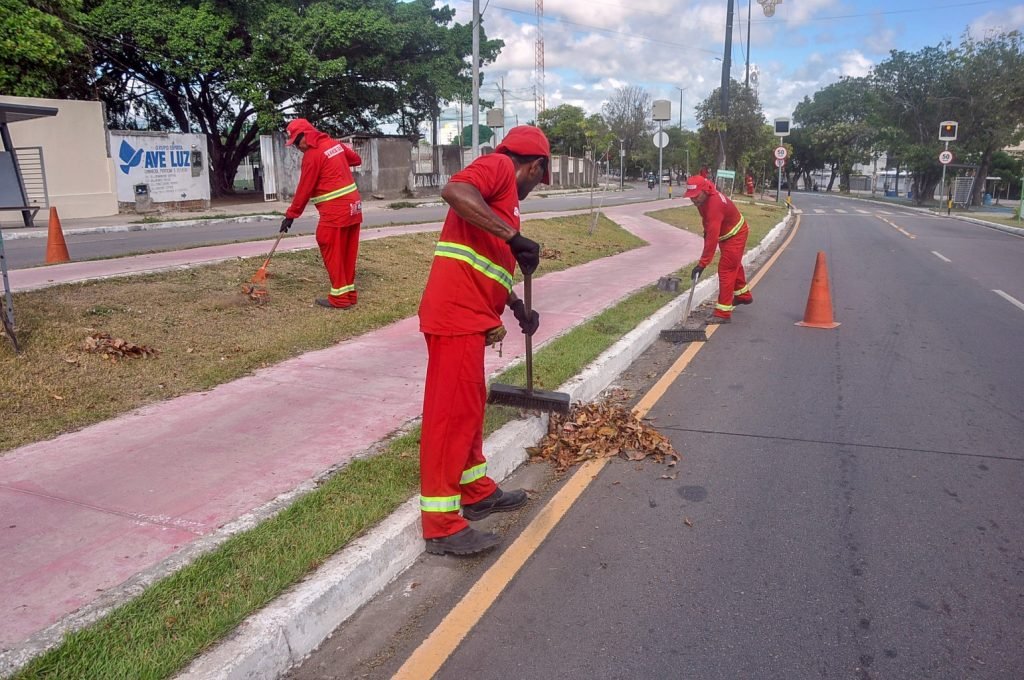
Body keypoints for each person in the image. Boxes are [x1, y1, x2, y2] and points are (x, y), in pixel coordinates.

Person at [416, 126, 551, 555]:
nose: (533, 188)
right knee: (450, 416)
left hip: (472, 315)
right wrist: (514, 237)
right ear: (534, 166)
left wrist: (515, 304)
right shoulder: (499, 167)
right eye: (539, 180)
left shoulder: (502, 200)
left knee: (469, 408)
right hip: (455, 313)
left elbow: (485, 259)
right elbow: (454, 190)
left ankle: (475, 491)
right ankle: (440, 525)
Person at [280, 119, 363, 309]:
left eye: (297, 141)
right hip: (354, 207)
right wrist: (334, 161)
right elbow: (356, 160)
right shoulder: (334, 144)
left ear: (307, 135)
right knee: (347, 250)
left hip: (336, 209)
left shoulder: (312, 155)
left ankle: (340, 299)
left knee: (327, 242)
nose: (297, 147)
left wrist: (291, 215)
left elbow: (305, 189)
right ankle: (349, 294)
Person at [683, 175, 752, 324]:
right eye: (691, 197)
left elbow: (712, 240)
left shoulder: (714, 205)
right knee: (733, 264)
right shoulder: (703, 200)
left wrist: (702, 264)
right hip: (726, 234)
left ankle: (722, 313)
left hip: (736, 234)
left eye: (696, 196)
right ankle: (743, 295)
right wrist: (706, 230)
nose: (693, 200)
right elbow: (706, 220)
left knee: (726, 269)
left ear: (704, 191)